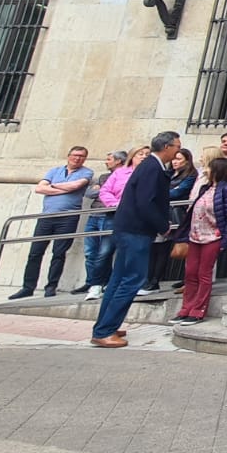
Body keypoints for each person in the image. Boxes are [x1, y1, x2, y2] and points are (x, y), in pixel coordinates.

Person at [91, 131, 177, 347]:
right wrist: (163, 226)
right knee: (132, 279)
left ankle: (107, 324)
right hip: (136, 230)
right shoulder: (152, 167)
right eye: (176, 146)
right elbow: (146, 202)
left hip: (128, 228)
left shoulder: (150, 166)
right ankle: (104, 330)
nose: (178, 150)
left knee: (119, 279)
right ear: (166, 147)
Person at [9, 146, 93, 299]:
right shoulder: (54, 171)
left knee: (59, 253)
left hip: (68, 217)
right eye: (75, 155)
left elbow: (75, 186)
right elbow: (39, 189)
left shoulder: (86, 172)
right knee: (35, 253)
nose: (77, 158)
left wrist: (52, 186)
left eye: (81, 156)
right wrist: (63, 188)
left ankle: (51, 286)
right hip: (46, 217)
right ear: (68, 156)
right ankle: (28, 287)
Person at [171, 156, 227, 326]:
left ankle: (198, 310)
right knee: (190, 273)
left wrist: (226, 241)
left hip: (213, 237)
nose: (206, 171)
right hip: (195, 236)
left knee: (204, 273)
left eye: (209, 168)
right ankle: (185, 308)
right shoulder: (205, 188)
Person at [74, 149, 128, 299]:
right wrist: (104, 190)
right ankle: (92, 281)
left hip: (108, 215)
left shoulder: (126, 176)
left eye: (109, 158)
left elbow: (120, 194)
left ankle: (101, 283)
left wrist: (104, 190)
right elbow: (89, 193)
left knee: (104, 252)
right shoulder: (104, 176)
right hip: (93, 215)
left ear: (118, 161)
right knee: (90, 251)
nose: (106, 161)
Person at [142, 148, 198, 295]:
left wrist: (159, 194)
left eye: (179, 159)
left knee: (164, 249)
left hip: (175, 215)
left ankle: (155, 282)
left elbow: (177, 193)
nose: (175, 162)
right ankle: (148, 280)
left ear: (187, 160)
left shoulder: (190, 175)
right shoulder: (168, 173)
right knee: (154, 247)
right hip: (161, 213)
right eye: (174, 159)